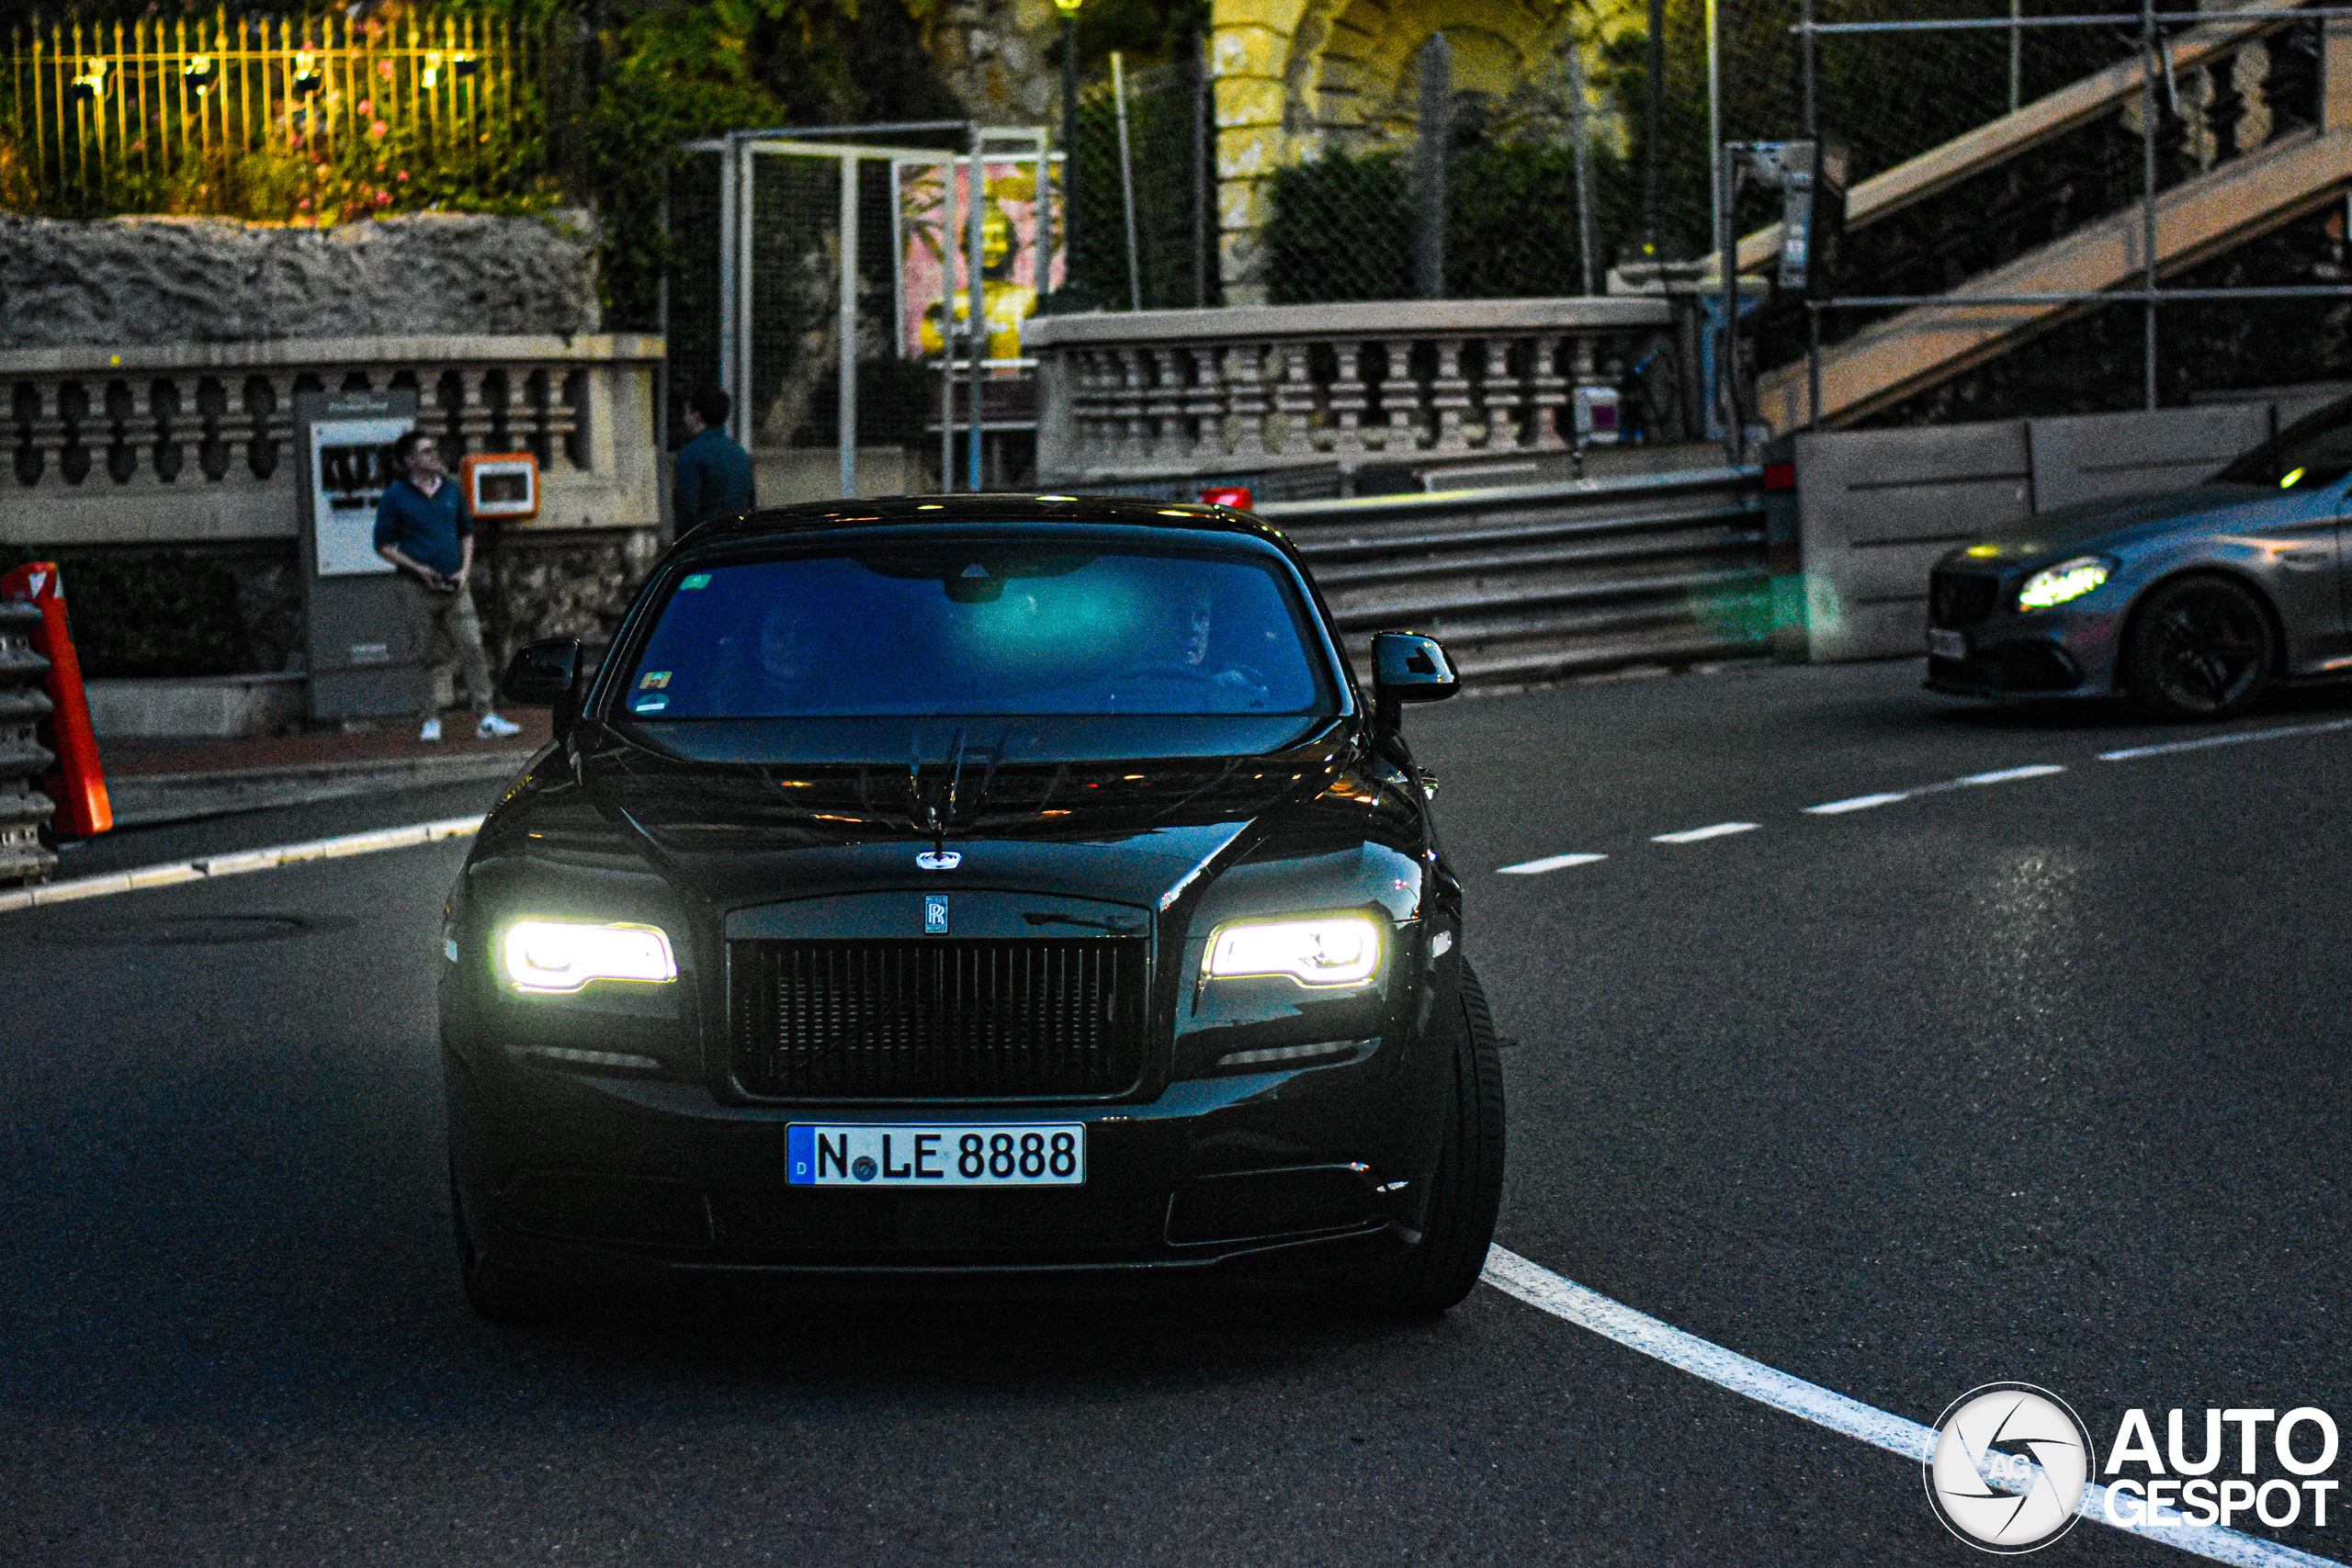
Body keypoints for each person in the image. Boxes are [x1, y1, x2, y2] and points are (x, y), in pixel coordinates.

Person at [373, 430, 521, 743]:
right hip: (416, 586)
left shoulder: (452, 491)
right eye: (426, 451)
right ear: (410, 460)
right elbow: (382, 544)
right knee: (422, 653)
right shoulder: (395, 497)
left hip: (454, 585)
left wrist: (464, 571)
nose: (433, 455)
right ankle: (429, 718)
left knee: (473, 646)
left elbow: (466, 533)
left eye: (433, 450)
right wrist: (417, 568)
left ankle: (486, 716)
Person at [673, 386, 755, 534]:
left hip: (706, 541)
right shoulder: (740, 454)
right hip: (739, 537)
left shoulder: (690, 455)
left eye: (687, 412)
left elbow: (686, 511)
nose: (685, 418)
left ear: (697, 415)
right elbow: (750, 504)